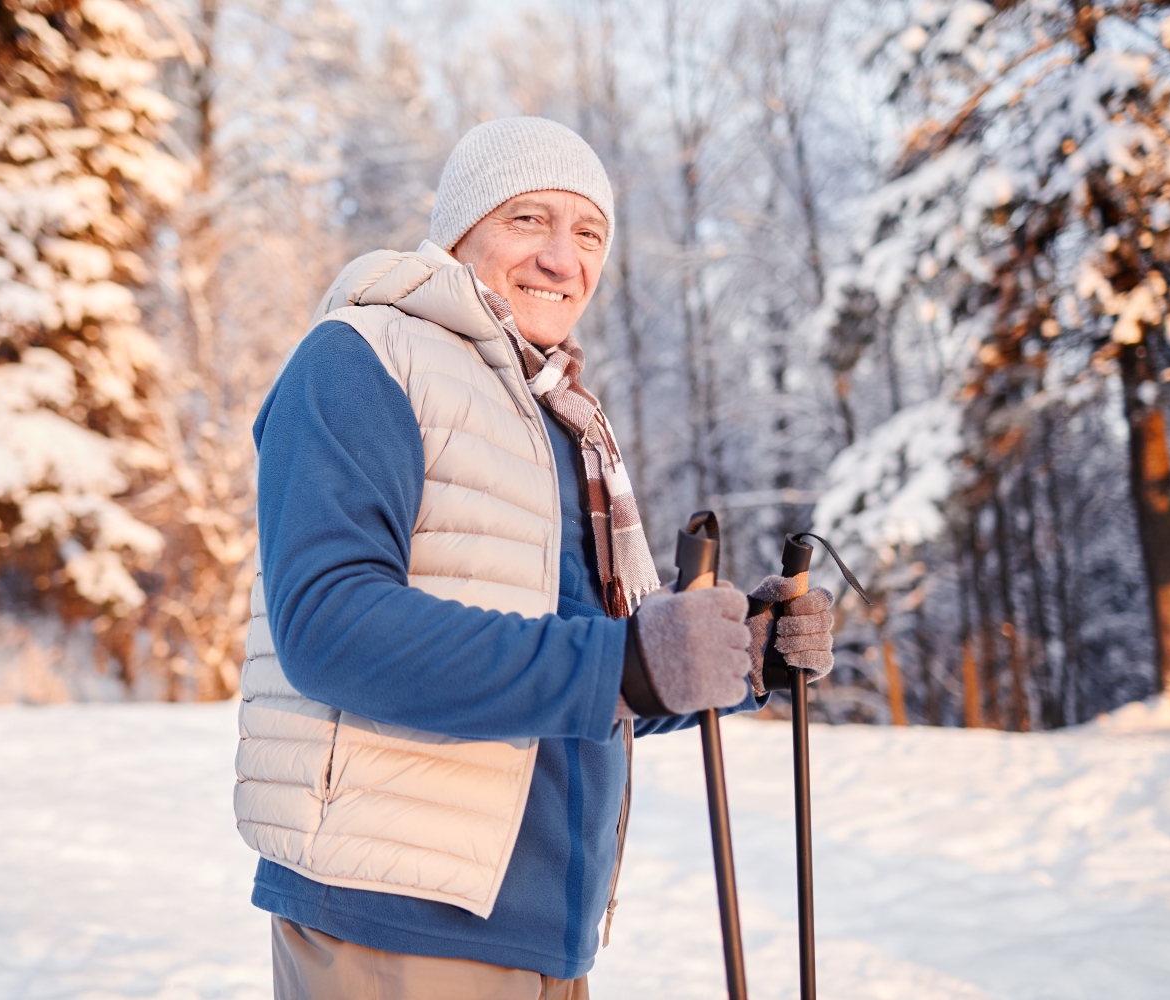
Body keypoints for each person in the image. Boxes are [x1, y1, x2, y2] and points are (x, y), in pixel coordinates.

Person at [235, 117, 836, 1000]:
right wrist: (627, 662)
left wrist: (740, 652)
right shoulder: (364, 359)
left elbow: (585, 668)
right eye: (528, 220)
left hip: (547, 930)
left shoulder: (558, 418)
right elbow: (330, 626)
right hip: (397, 922)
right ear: (457, 233)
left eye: (588, 232)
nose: (563, 258)